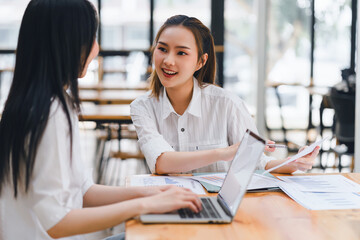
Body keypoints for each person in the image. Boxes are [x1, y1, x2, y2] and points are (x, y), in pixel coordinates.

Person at [0, 2, 201, 240]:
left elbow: (83, 191)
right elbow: (56, 223)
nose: (96, 48)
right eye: (91, 38)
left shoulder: (40, 102)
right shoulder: (50, 113)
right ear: (69, 44)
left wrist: (151, 194)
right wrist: (145, 206)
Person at [130, 15, 319, 174]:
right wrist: (225, 153)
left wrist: (292, 163)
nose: (168, 60)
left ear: (200, 62)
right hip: (169, 205)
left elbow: (258, 163)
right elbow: (161, 163)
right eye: (162, 49)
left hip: (220, 208)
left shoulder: (227, 104)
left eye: (181, 53)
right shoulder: (142, 107)